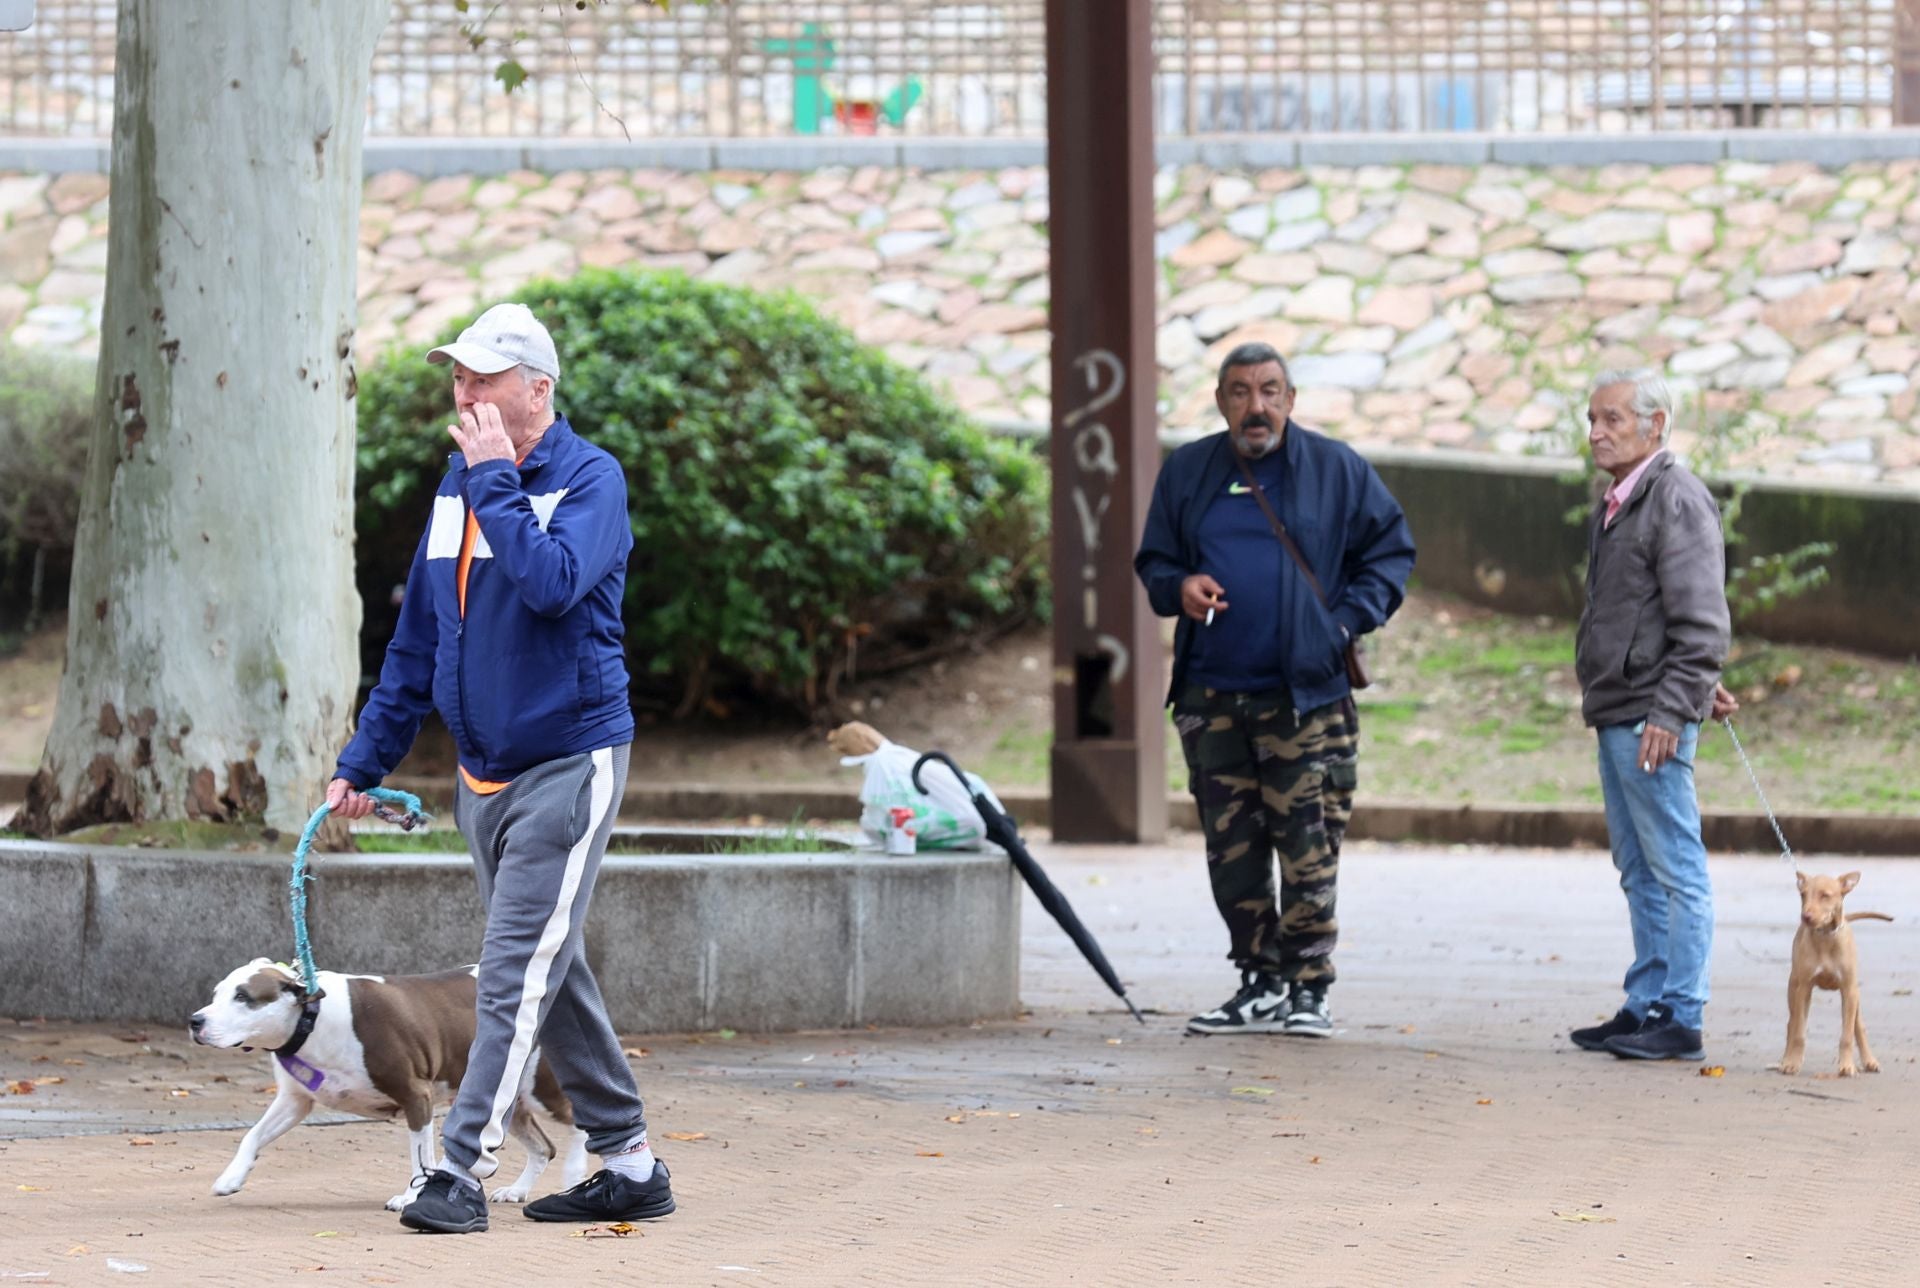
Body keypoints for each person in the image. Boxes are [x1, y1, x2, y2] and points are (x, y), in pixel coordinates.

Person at [325, 302, 673, 1233]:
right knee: (550, 965)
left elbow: (552, 585)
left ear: (538, 390)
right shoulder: (457, 490)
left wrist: (493, 482)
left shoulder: (591, 478)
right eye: (458, 376)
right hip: (483, 775)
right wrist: (363, 760)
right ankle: (630, 1162)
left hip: (570, 761)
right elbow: (416, 641)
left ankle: (460, 1170)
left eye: (483, 377)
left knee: (513, 968)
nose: (464, 392)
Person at [1135, 343, 1415, 1038]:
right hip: (1210, 699)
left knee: (1307, 847)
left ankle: (1310, 987)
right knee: (1231, 851)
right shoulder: (1189, 470)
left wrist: (1342, 623)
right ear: (1220, 401)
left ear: (1291, 400)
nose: (1255, 406)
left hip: (1304, 697)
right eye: (1240, 392)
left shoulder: (1336, 470)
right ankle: (1258, 982)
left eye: (1268, 391)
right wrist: (1179, 586)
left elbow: (1389, 553)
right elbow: (1155, 561)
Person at [1570, 369, 1736, 1063]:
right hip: (1620, 708)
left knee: (1676, 868)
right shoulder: (1621, 500)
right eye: (1592, 419)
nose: (1597, 432)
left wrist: (1676, 705)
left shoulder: (1676, 497)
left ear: (1655, 425)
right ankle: (1646, 1003)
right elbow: (1654, 613)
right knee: (1638, 868)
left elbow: (1703, 622)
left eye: (1612, 419)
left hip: (1648, 717)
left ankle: (1682, 1013)